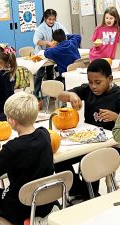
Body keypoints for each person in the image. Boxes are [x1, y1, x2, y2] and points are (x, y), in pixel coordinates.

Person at [0, 92, 55, 224]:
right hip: (46, 203)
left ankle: (24, 220)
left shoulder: (12, 148)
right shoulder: (44, 134)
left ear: (11, 121)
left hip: (20, 208)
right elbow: (27, 149)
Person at [56, 59, 120, 201]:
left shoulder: (117, 95)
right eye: (90, 82)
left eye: (98, 82)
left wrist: (116, 117)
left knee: (90, 160)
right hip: (87, 141)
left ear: (109, 79)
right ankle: (83, 192)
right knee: (59, 161)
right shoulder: (87, 90)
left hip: (111, 145)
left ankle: (88, 194)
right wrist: (72, 95)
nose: (93, 86)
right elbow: (60, 95)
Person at [33, 9, 68, 102]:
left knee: (50, 72)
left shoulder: (58, 25)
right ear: (45, 18)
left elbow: (66, 34)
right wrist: (47, 43)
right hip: (41, 54)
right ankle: (36, 94)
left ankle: (51, 93)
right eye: (49, 19)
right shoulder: (40, 28)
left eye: (53, 19)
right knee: (40, 74)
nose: (51, 21)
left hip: (52, 53)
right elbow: (36, 41)